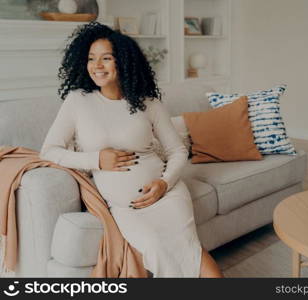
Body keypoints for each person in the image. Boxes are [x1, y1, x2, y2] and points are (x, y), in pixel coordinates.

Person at [40, 22, 223, 278]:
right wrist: (96, 160)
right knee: (157, 248)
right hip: (126, 207)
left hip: (167, 196)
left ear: (123, 62)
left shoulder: (148, 102)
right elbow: (48, 151)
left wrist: (164, 183)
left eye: (106, 58)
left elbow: (177, 151)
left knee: (190, 251)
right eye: (91, 59)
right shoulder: (78, 101)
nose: (97, 66)